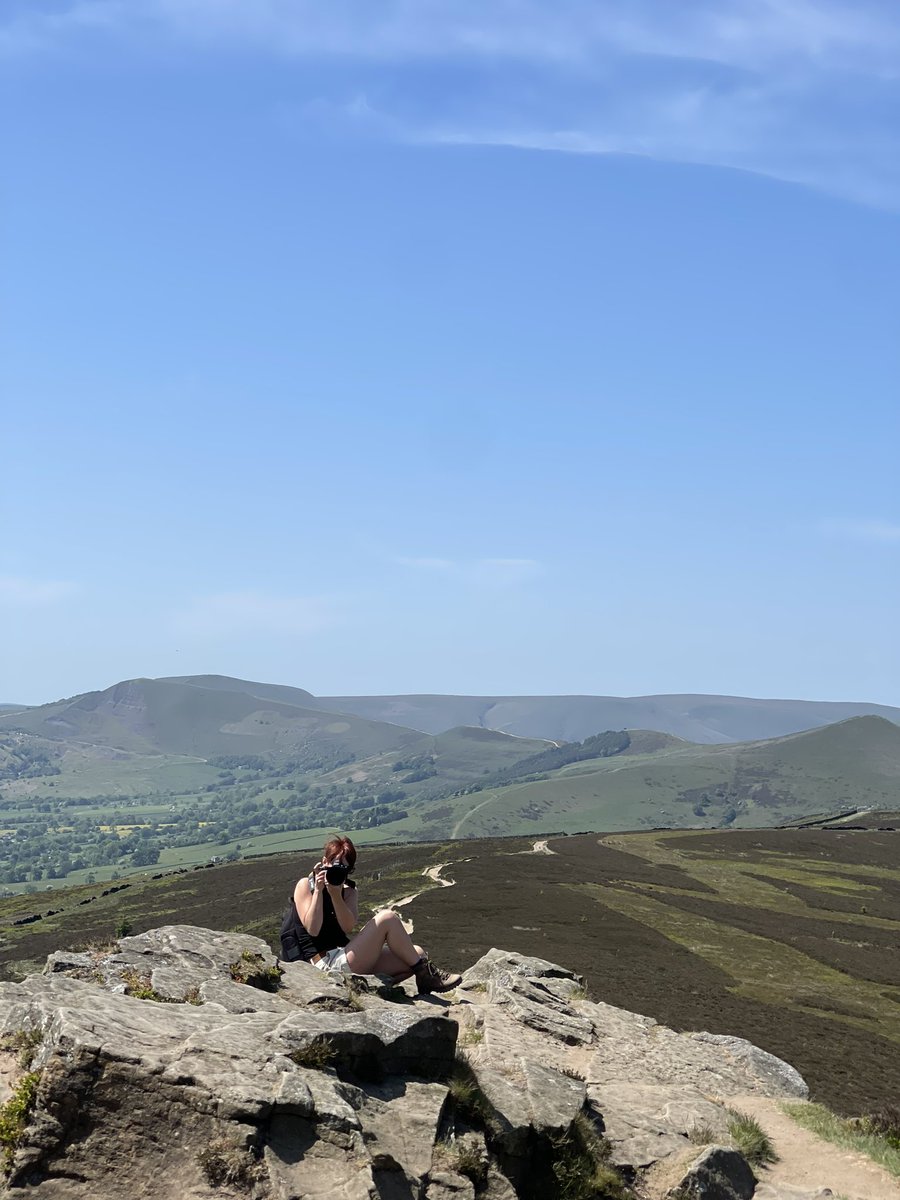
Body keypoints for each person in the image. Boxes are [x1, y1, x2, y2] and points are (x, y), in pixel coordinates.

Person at [280, 834, 462, 994]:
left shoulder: (349, 892)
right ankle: (429, 977)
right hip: (321, 965)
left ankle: (369, 988)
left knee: (417, 954)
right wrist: (319, 891)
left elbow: (347, 926)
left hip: (343, 956)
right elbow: (312, 929)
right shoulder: (306, 885)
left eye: (344, 868)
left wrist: (336, 895)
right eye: (334, 864)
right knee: (387, 918)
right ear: (324, 862)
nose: (337, 872)